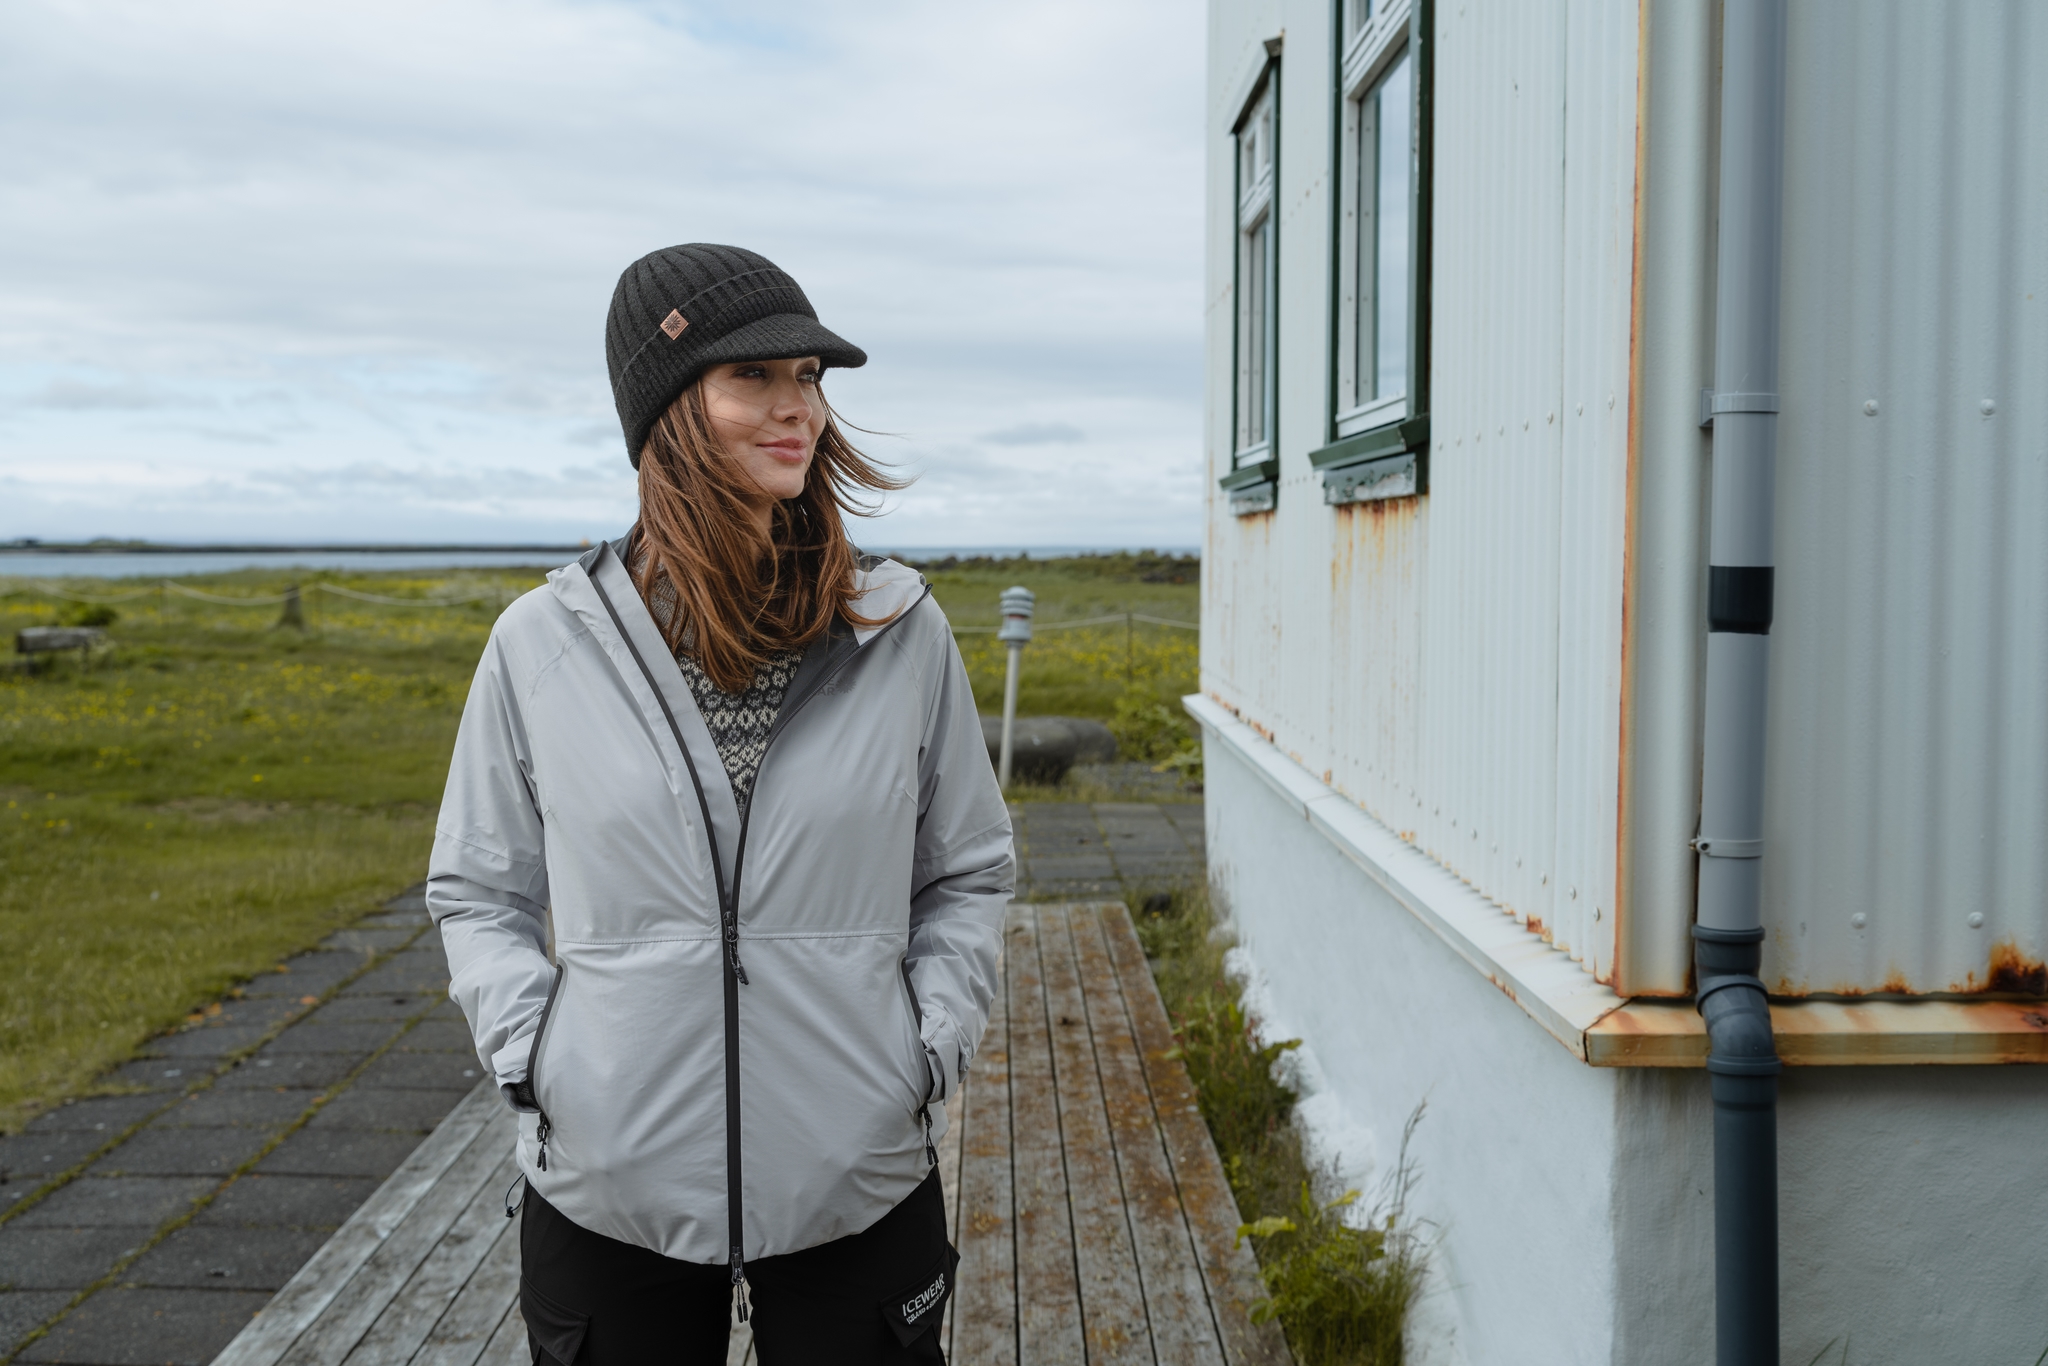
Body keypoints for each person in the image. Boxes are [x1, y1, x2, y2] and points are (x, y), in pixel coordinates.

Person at [428, 243, 1013, 1364]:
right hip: (612, 1177)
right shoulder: (543, 646)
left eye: (811, 378)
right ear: (665, 412)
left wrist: (925, 1045)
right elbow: (476, 886)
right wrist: (537, 1057)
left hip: (857, 1164)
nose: (799, 409)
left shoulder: (898, 631)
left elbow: (966, 867)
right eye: (757, 379)